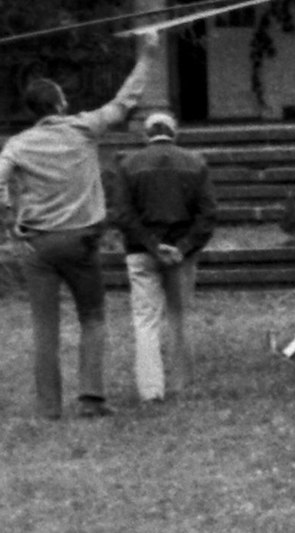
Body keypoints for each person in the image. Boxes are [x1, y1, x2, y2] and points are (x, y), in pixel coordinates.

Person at [0, 31, 161, 420]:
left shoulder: (18, 144)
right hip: (81, 244)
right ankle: (90, 400)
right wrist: (148, 54)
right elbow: (126, 100)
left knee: (45, 329)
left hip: (39, 247)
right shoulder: (83, 127)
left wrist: (16, 215)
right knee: (93, 317)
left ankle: (48, 409)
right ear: (60, 104)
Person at [107, 110, 216, 404]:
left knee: (145, 320)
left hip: (141, 252)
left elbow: (123, 214)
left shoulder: (128, 165)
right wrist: (182, 246)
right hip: (182, 253)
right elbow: (208, 214)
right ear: (174, 132)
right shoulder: (195, 163)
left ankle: (151, 389)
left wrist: (153, 245)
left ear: (146, 135)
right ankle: (181, 383)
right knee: (179, 317)